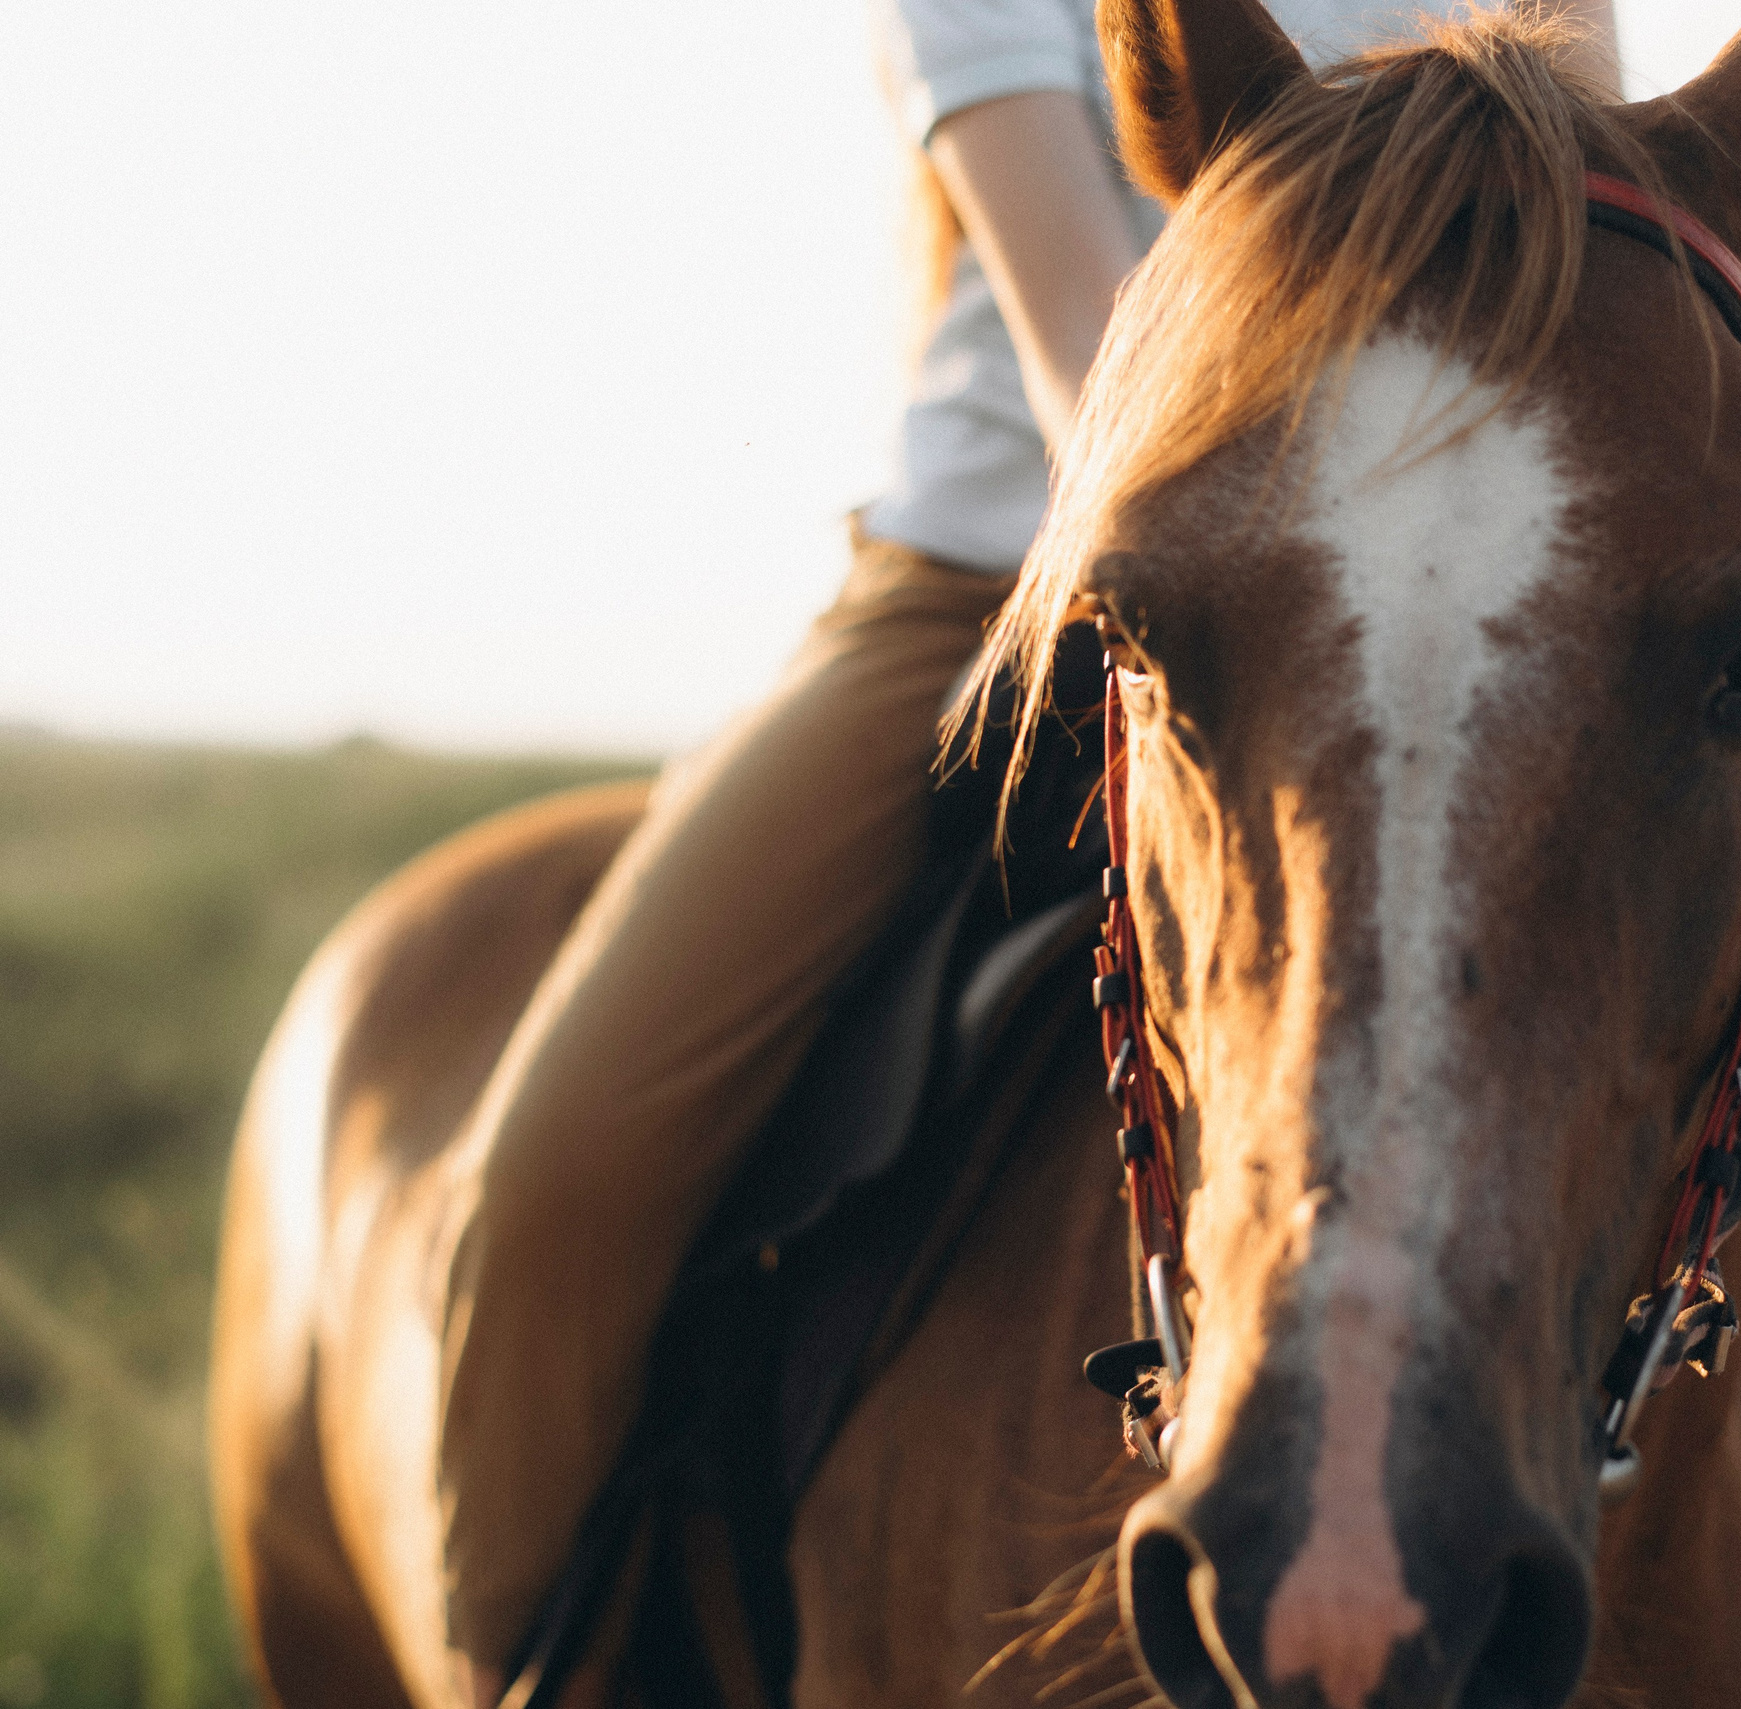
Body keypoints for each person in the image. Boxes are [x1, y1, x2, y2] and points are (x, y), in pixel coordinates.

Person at [435, 0, 1626, 1698]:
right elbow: (1098, 353)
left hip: (1416, 619)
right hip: (993, 587)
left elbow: (1588, 284)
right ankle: (528, 1659)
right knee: (554, 1179)